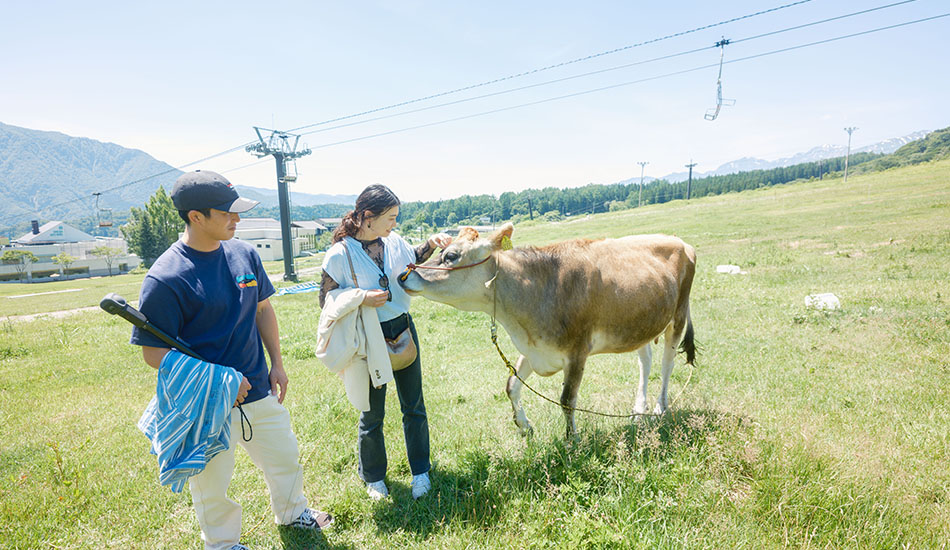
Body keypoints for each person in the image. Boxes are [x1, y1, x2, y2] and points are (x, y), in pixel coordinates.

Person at [130, 170, 332, 550]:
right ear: (195, 217)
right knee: (211, 483)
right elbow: (153, 353)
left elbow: (262, 310)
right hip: (206, 402)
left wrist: (278, 363)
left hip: (256, 386)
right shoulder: (166, 278)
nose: (236, 219)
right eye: (227, 212)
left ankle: (292, 513)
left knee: (285, 457)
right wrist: (219, 380)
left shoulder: (244, 253)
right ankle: (223, 544)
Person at [319, 184, 451, 500]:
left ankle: (421, 471)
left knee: (414, 406)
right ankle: (374, 478)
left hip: (402, 328)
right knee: (372, 413)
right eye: (390, 217)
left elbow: (411, 259)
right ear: (367, 217)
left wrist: (430, 245)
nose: (394, 223)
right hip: (368, 337)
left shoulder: (393, 241)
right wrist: (360, 297)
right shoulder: (340, 253)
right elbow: (325, 299)